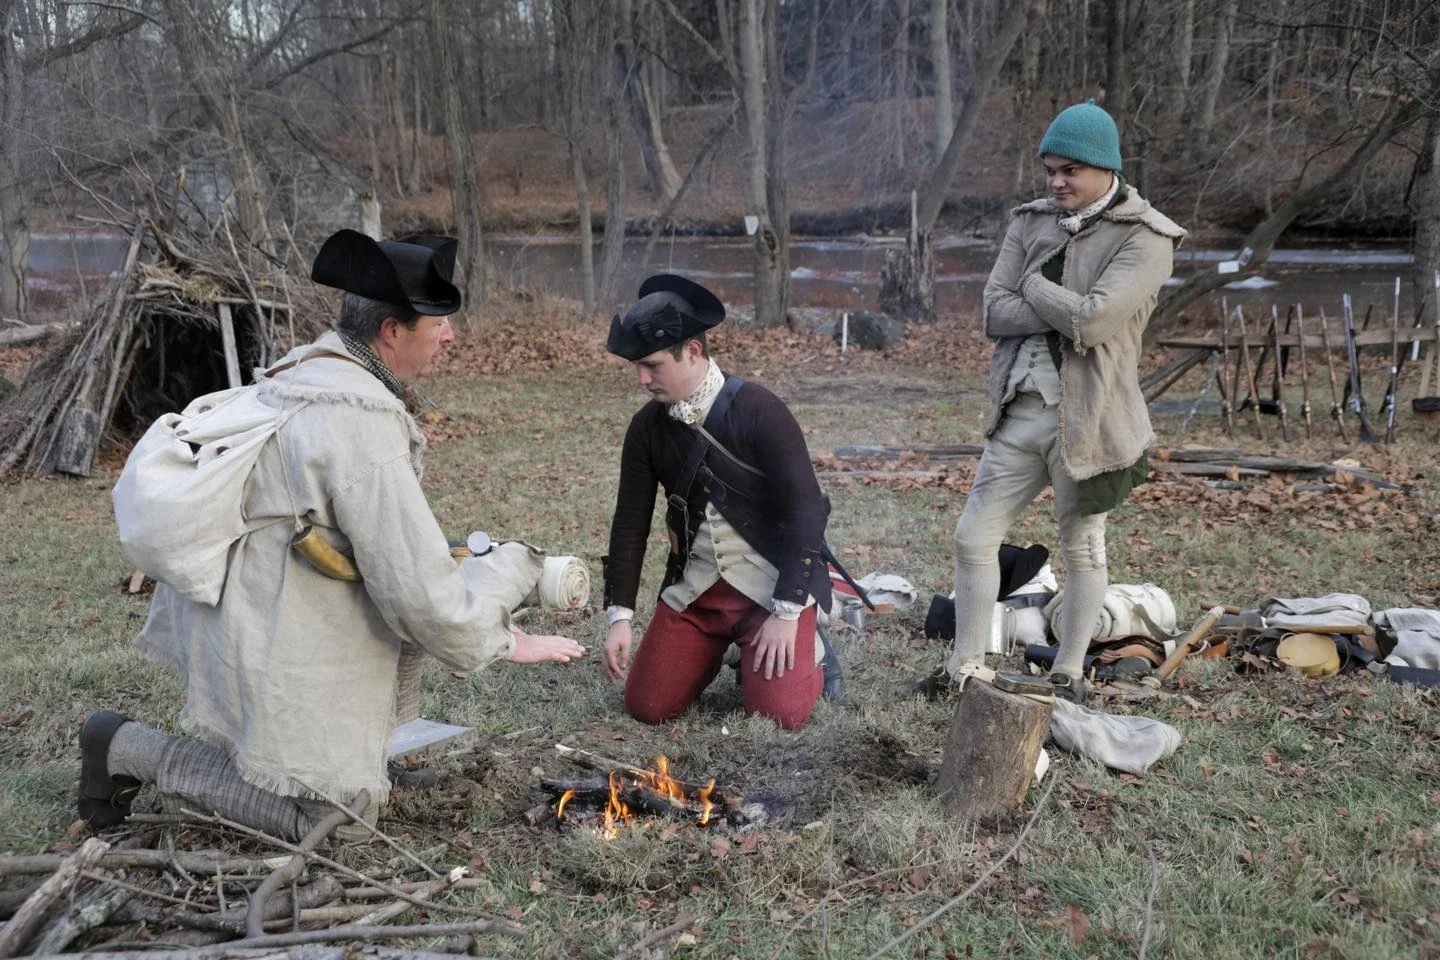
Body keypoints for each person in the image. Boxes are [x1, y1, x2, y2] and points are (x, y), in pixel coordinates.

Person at [79, 229, 584, 840]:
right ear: (392, 332)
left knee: (333, 778)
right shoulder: (356, 422)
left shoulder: (314, 367)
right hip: (269, 616)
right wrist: (500, 639)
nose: (451, 336)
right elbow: (415, 589)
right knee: (338, 822)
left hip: (261, 599)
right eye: (437, 325)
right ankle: (123, 749)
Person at [933, 100, 1186, 703]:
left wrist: (1033, 283)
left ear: (1104, 169)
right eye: (1050, 169)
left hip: (1091, 419)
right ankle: (966, 669)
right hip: (1019, 410)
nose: (1056, 181)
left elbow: (1095, 323)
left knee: (1082, 546)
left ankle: (1067, 671)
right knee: (973, 538)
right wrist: (1058, 305)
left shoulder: (1147, 237)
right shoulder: (1031, 221)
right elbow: (994, 312)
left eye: (1069, 169)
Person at [600, 275, 836, 730]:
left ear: (692, 350)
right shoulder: (646, 428)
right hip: (699, 594)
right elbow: (630, 523)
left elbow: (806, 512)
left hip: (770, 592)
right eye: (637, 367)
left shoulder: (761, 410)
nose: (642, 379)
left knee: (778, 717)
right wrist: (620, 616)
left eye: (652, 365)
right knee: (647, 705)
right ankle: (725, 651)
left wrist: (787, 613)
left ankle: (815, 653)